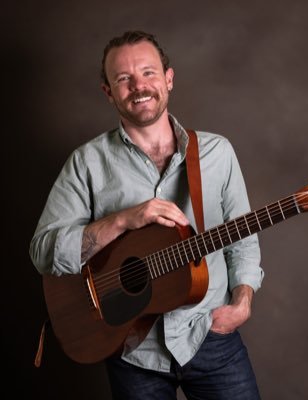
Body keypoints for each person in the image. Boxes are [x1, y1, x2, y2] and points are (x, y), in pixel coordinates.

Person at [30, 30, 264, 399]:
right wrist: (123, 220)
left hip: (210, 337)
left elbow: (243, 238)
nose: (138, 86)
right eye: (123, 78)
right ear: (109, 91)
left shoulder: (217, 153)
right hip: (132, 350)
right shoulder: (86, 163)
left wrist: (243, 301)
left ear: (168, 79)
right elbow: (44, 251)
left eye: (148, 72)